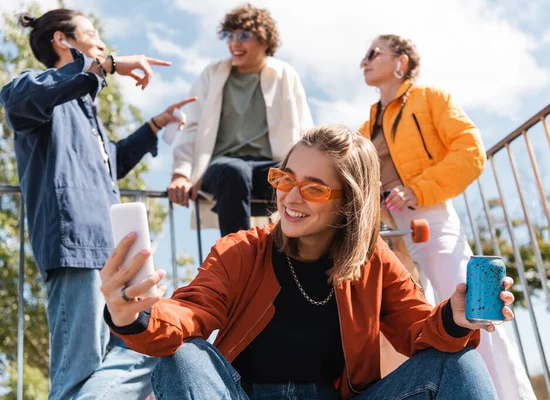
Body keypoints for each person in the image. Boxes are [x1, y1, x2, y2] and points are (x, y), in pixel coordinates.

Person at [100, 125, 519, 399]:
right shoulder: (242, 249)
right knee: (184, 354)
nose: (290, 197)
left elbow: (418, 331)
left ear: (347, 204)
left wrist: (454, 319)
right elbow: (190, 311)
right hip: (241, 395)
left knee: (459, 363)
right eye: (284, 179)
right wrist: (134, 316)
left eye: (314, 189)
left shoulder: (374, 262)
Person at [0, 9, 196, 400]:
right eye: (91, 33)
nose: (102, 41)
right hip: (76, 250)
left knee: (146, 347)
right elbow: (20, 99)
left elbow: (113, 163)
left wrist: (154, 126)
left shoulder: (87, 110)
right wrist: (103, 66)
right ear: (62, 40)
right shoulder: (33, 92)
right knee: (79, 368)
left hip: (114, 254)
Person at [358, 34, 535, 400]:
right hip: (383, 230)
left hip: (428, 216)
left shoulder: (430, 99)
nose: (365, 60)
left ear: (400, 62)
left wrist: (418, 190)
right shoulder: (367, 125)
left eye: (374, 53)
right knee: (415, 321)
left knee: (474, 310)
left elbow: (470, 152)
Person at [167, 4, 313, 237]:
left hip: (269, 166)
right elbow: (192, 128)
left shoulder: (285, 75)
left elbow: (305, 130)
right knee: (235, 172)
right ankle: (238, 260)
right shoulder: (212, 75)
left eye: (244, 36)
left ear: (265, 41)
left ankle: (296, 260)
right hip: (222, 166)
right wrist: (180, 174)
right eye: (229, 35)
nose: (234, 43)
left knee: (294, 179)